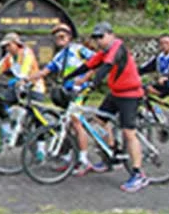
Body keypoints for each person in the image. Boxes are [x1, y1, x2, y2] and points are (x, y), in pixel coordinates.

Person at [63, 22, 149, 193]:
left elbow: (105, 68)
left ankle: (139, 174)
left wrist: (92, 84)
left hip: (130, 94)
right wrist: (67, 77)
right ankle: (112, 155)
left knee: (128, 133)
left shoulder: (117, 48)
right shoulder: (104, 52)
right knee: (99, 121)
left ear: (111, 34)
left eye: (101, 37)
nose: (98, 41)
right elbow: (88, 65)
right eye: (96, 37)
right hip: (116, 93)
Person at [26, 24, 99, 175]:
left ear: (69, 37)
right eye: (56, 37)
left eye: (62, 36)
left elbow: (97, 61)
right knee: (67, 123)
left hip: (80, 91)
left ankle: (84, 160)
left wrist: (84, 79)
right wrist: (26, 79)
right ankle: (69, 157)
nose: (59, 39)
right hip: (67, 92)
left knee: (75, 121)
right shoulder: (59, 56)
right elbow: (44, 71)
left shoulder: (78, 50)